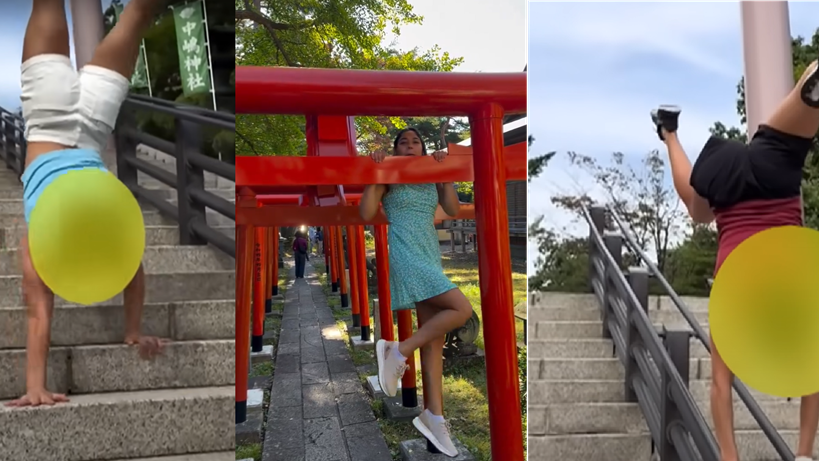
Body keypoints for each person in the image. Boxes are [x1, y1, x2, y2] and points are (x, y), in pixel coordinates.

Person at [653, 61, 819, 461]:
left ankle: (668, 133)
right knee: (697, 209)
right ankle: (668, 130)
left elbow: (720, 386)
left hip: (767, 175)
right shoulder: (745, 303)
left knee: (696, 211)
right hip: (733, 179)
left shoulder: (754, 303)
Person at [5, 0, 166, 408]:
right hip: (51, 117)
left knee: (140, 13)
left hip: (92, 122)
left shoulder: (102, 241)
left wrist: (134, 329)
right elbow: (37, 311)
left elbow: (133, 269)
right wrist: (34, 386)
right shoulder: (40, 246)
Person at [360, 127, 473, 457]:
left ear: (424, 148)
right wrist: (377, 170)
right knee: (461, 309)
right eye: (403, 142)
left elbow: (451, 209)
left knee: (434, 342)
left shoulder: (432, 174)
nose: (410, 145)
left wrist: (445, 172)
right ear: (395, 149)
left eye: (416, 141)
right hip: (406, 253)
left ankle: (433, 416)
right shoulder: (389, 174)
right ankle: (398, 351)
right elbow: (366, 213)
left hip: (428, 254)